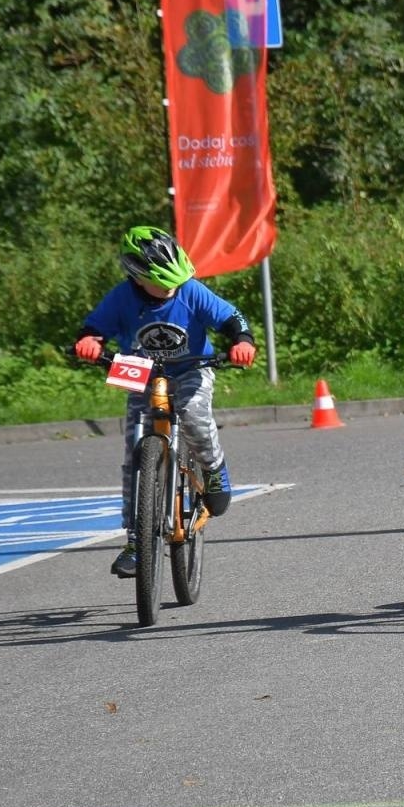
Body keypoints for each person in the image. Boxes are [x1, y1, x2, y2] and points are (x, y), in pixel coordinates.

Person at [73, 225, 256, 577]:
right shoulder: (121, 298)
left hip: (192, 368)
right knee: (133, 454)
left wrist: (242, 341)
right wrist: (89, 341)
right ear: (137, 277)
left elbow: (231, 317)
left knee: (192, 414)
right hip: (140, 371)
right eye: (162, 284)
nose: (170, 289)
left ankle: (214, 469)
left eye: (174, 282)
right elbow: (96, 326)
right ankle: (135, 542)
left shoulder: (190, 290)